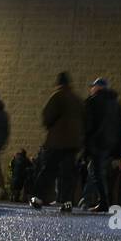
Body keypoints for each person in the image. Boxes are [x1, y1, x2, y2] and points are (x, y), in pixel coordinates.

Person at [31, 72, 83, 212]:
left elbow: (47, 116)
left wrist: (52, 127)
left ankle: (37, 198)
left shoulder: (57, 96)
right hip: (73, 143)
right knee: (68, 173)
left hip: (57, 141)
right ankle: (67, 202)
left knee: (48, 170)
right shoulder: (77, 100)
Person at [83, 78, 121, 213]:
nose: (91, 89)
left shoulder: (94, 101)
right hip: (110, 144)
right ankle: (102, 201)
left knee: (97, 173)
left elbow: (88, 125)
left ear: (99, 88)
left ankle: (102, 202)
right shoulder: (115, 104)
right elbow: (120, 128)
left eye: (93, 86)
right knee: (100, 173)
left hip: (97, 142)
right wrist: (119, 150)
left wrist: (86, 144)